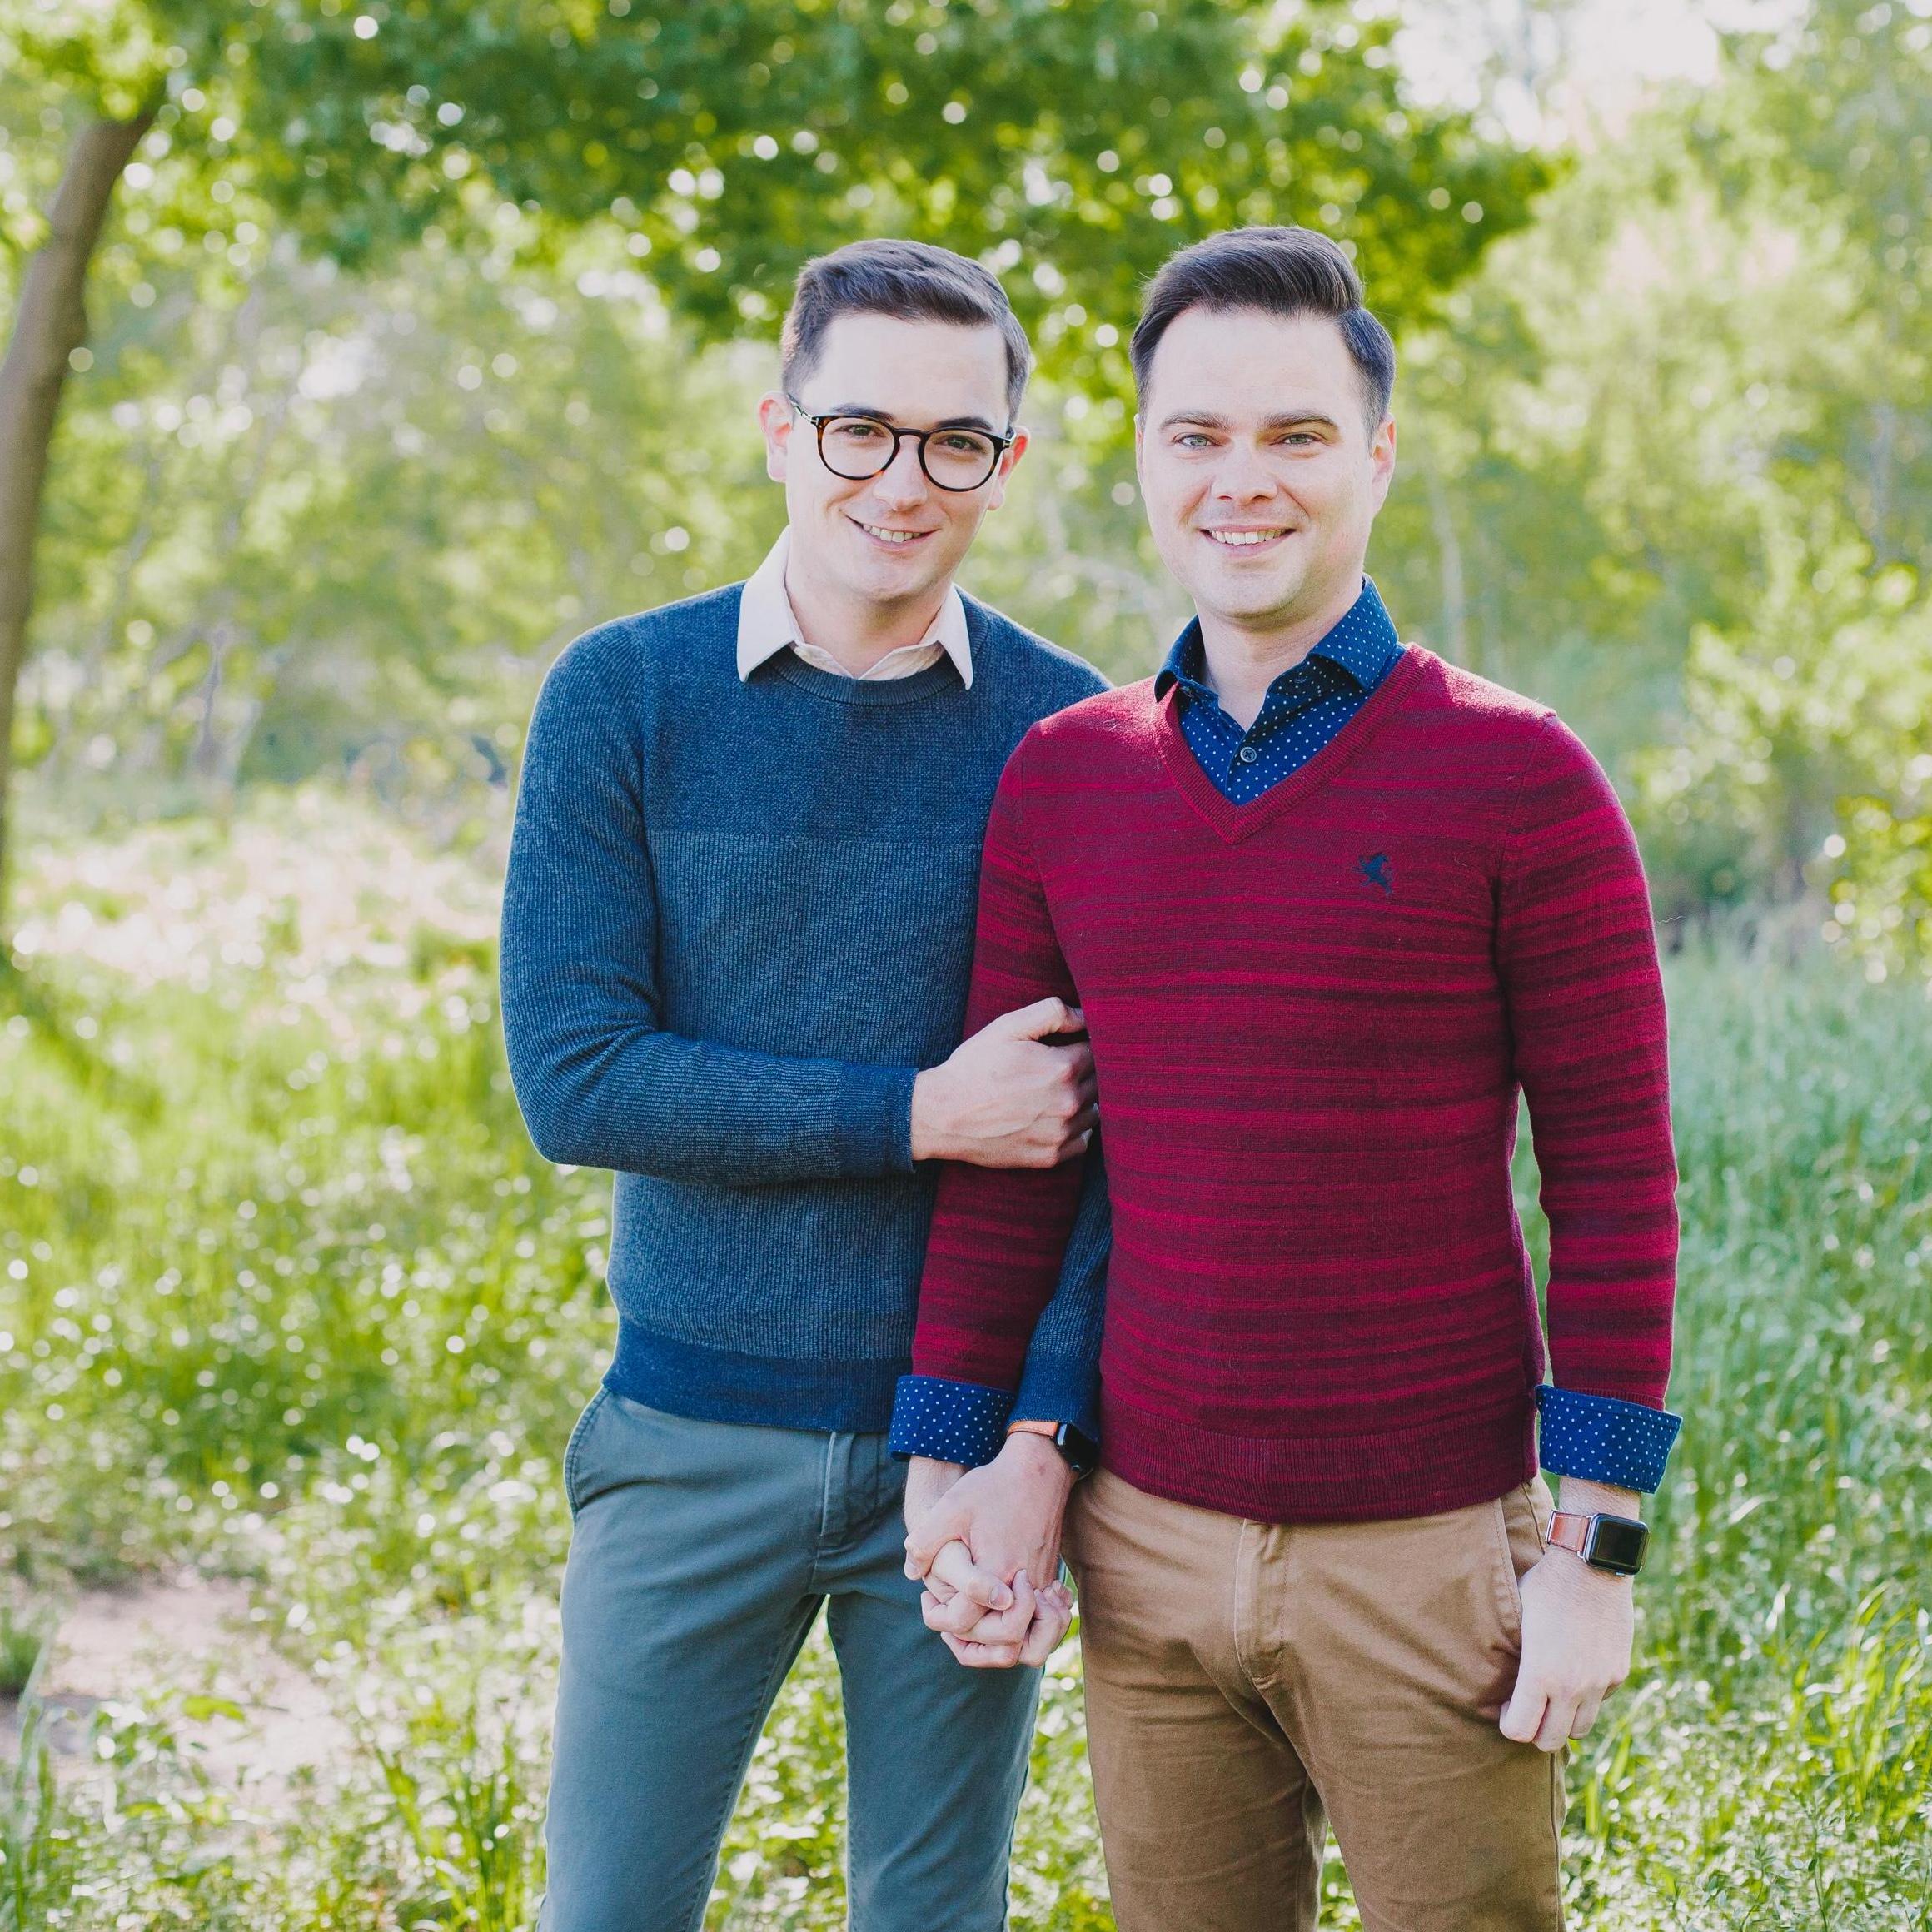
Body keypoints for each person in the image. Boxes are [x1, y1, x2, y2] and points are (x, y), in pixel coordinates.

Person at [894, 226, 1683, 1931]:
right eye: (1196, 435)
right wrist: (947, 1464)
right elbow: (1018, 1165)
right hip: (1143, 1547)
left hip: (1428, 1555)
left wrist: (1593, 1553)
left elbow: (1617, 1186)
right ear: (1142, 459)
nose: (1239, 479)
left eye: (1295, 435)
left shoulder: (1520, 778)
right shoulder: (1063, 780)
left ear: (1375, 458)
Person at [500, 237, 1109, 1932]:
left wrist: (1039, 1440)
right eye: (860, 430)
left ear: (1005, 462)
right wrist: (919, 1111)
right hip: (687, 1437)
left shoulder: (1071, 736)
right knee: (607, 1910)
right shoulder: (623, 697)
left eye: (953, 442)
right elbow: (578, 1078)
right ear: (780, 428)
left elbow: (1102, 1148)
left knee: (935, 1916)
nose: (901, 483)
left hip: (960, 1447)